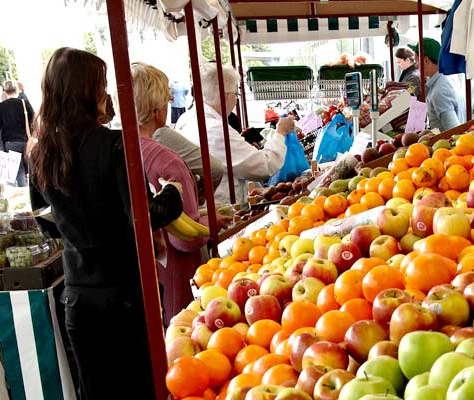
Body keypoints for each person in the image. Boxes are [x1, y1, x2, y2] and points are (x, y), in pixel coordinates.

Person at [28, 47, 184, 399]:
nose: (106, 94)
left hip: (79, 297)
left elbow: (45, 223)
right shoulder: (114, 144)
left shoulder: (41, 151)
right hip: (126, 295)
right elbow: (145, 217)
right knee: (144, 388)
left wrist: (77, 230)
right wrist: (173, 193)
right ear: (88, 91)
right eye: (101, 85)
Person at [131, 62, 212, 323]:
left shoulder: (120, 153)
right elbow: (185, 240)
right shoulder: (167, 162)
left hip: (141, 281)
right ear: (157, 109)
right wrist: (208, 223)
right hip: (177, 278)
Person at [175, 63, 287, 202]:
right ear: (225, 96)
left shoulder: (187, 118)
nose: (235, 100)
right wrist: (281, 133)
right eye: (236, 94)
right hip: (223, 210)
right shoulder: (214, 130)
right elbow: (264, 166)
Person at [409, 38, 466, 132]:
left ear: (426, 60)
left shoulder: (440, 91)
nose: (416, 65)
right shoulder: (440, 83)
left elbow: (453, 129)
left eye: (416, 60)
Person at [0, 80, 35, 187]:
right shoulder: (24, 103)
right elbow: (34, 120)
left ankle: (24, 192)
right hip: (27, 141)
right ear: (17, 89)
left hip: (10, 142)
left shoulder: (1, 106)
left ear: (5, 91)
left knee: (19, 170)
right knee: (33, 168)